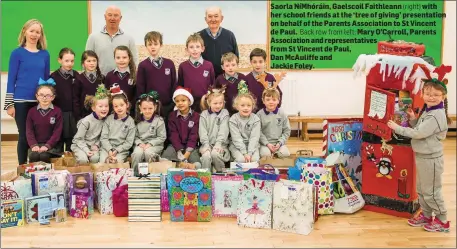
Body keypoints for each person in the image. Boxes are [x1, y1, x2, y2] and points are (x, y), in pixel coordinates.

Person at [388, 64, 452, 233]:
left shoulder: (436, 115)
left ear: (443, 96)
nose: (431, 97)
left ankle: (442, 220)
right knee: (422, 190)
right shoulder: (429, 110)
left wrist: (397, 127)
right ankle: (426, 214)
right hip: (423, 155)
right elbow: (422, 128)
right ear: (422, 94)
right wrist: (413, 119)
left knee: (431, 191)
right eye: (428, 94)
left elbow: (419, 133)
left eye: (436, 95)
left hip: (431, 158)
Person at [4, 19, 50, 164]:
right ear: (25, 31)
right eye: (32, 31)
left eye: (38, 32)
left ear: (41, 35)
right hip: (21, 102)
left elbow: (46, 80)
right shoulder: (16, 53)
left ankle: (36, 167)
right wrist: (9, 104)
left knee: (38, 136)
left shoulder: (45, 55)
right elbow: (11, 79)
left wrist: (47, 99)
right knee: (24, 136)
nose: (34, 34)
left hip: (39, 102)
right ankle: (22, 168)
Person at [85, 5, 138, 75]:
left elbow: (134, 60)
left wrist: (132, 78)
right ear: (105, 17)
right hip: (99, 82)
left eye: (116, 15)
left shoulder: (129, 38)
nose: (112, 18)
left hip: (123, 80)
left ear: (120, 18)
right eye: (110, 15)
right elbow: (86, 59)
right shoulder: (93, 37)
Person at [136, 31, 177, 120]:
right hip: (150, 108)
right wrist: (146, 105)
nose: (153, 47)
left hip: (168, 107)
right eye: (150, 44)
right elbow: (140, 88)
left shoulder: (169, 64)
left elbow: (174, 84)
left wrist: (172, 104)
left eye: (155, 44)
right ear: (146, 46)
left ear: (161, 45)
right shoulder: (143, 65)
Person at [162, 87, 201, 169]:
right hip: (175, 145)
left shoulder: (196, 116)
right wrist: (179, 150)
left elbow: (194, 135)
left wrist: (186, 154)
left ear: (189, 102)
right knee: (164, 159)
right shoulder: (172, 115)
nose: (180, 103)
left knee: (197, 164)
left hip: (191, 146)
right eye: (177, 101)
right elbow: (173, 134)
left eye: (183, 100)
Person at [26, 79, 63, 163]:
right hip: (36, 144)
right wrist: (33, 145)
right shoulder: (31, 111)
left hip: (52, 145)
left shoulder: (57, 111)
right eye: (41, 95)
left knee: (44, 156)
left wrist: (48, 145)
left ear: (53, 97)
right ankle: (33, 175)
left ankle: (47, 175)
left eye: (48, 95)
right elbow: (29, 131)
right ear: (37, 96)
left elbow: (57, 132)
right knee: (33, 155)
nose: (44, 98)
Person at [71, 84, 110, 164]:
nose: (104, 109)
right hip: (80, 145)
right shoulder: (86, 121)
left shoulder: (106, 120)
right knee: (83, 160)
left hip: (93, 146)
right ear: (93, 108)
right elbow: (78, 139)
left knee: (95, 158)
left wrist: (97, 145)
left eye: (106, 106)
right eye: (100, 106)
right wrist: (86, 150)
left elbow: (102, 136)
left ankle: (94, 176)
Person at [177, 33, 215, 113]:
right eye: (191, 47)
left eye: (197, 47)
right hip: (188, 104)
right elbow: (180, 86)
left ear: (203, 48)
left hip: (205, 103)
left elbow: (212, 85)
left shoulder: (209, 65)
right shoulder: (183, 66)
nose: (195, 49)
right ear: (186, 49)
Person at [50, 48, 79, 152]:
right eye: (66, 61)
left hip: (73, 114)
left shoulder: (77, 76)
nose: (70, 63)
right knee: (58, 141)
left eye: (72, 61)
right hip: (59, 113)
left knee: (72, 141)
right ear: (59, 60)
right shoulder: (53, 77)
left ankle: (71, 163)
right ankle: (58, 164)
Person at [131, 91, 166, 175]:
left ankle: (151, 174)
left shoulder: (159, 120)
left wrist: (150, 144)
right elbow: (134, 136)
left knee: (148, 153)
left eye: (150, 108)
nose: (147, 111)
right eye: (144, 108)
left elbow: (162, 137)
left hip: (155, 145)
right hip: (141, 144)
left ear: (155, 107)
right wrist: (139, 144)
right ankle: (135, 174)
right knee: (137, 153)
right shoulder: (136, 121)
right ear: (140, 108)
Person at [199, 6, 239, 77]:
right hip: (204, 78)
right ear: (205, 19)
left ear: (221, 18)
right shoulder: (199, 36)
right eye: (210, 16)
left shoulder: (230, 35)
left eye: (216, 16)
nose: (213, 19)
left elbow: (236, 57)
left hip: (225, 79)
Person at [99, 85, 135, 163]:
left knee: (116, 162)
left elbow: (129, 142)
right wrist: (109, 149)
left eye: (122, 105)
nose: (119, 108)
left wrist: (117, 150)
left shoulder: (130, 122)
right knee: (103, 162)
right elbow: (104, 138)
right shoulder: (109, 119)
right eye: (116, 106)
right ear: (113, 107)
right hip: (106, 149)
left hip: (121, 151)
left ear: (127, 105)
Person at [199, 87, 230, 172]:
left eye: (220, 103)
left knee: (215, 154)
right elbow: (203, 132)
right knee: (206, 156)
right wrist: (206, 145)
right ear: (209, 103)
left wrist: (218, 144)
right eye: (215, 103)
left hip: (221, 144)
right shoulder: (204, 115)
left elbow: (223, 131)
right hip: (206, 144)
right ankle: (205, 177)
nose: (218, 105)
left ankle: (221, 174)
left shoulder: (225, 113)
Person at [228, 81, 261, 163]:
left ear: (252, 106)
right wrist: (244, 153)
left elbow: (254, 137)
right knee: (241, 160)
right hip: (237, 146)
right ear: (237, 106)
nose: (245, 108)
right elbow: (236, 138)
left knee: (254, 160)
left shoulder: (256, 119)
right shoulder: (233, 119)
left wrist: (249, 153)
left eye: (248, 105)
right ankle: (238, 175)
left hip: (252, 146)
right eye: (242, 105)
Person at [257, 87, 291, 159]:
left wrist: (280, 143)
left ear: (278, 101)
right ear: (263, 101)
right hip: (265, 144)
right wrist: (267, 144)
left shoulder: (282, 114)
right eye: (268, 100)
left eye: (274, 99)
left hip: (279, 144)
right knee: (265, 155)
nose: (271, 102)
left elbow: (287, 131)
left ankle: (276, 155)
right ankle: (271, 155)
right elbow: (258, 132)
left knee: (285, 154)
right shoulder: (259, 115)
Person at [73, 50, 105, 121]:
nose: (92, 63)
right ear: (83, 63)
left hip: (100, 115)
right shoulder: (79, 78)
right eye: (89, 61)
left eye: (94, 60)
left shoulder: (102, 78)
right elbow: (76, 99)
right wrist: (78, 117)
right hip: (84, 116)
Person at [104, 45, 136, 114]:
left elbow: (136, 95)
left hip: (130, 113)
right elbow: (107, 95)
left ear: (129, 58)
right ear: (114, 59)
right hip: (113, 113)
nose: (121, 60)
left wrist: (128, 108)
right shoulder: (109, 76)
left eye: (124, 57)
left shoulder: (135, 76)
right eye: (118, 58)